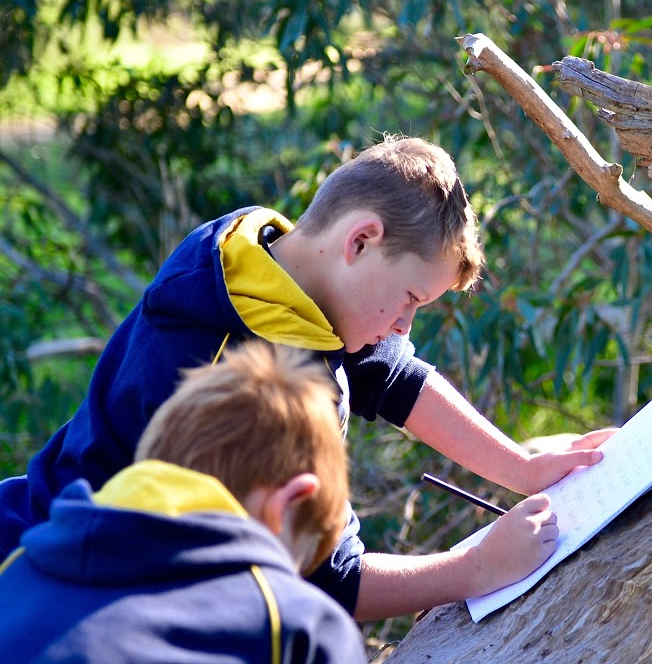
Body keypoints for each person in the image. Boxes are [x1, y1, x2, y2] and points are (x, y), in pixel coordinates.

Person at [0, 135, 614, 621]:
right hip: (59, 590)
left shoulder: (266, 269)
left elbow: (387, 375)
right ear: (361, 240)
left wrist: (523, 468)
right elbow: (321, 576)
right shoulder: (249, 381)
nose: (404, 326)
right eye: (407, 298)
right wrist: (476, 569)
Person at [0, 341, 367, 662]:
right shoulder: (301, 627)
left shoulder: (18, 569)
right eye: (293, 564)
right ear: (290, 501)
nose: (281, 580)